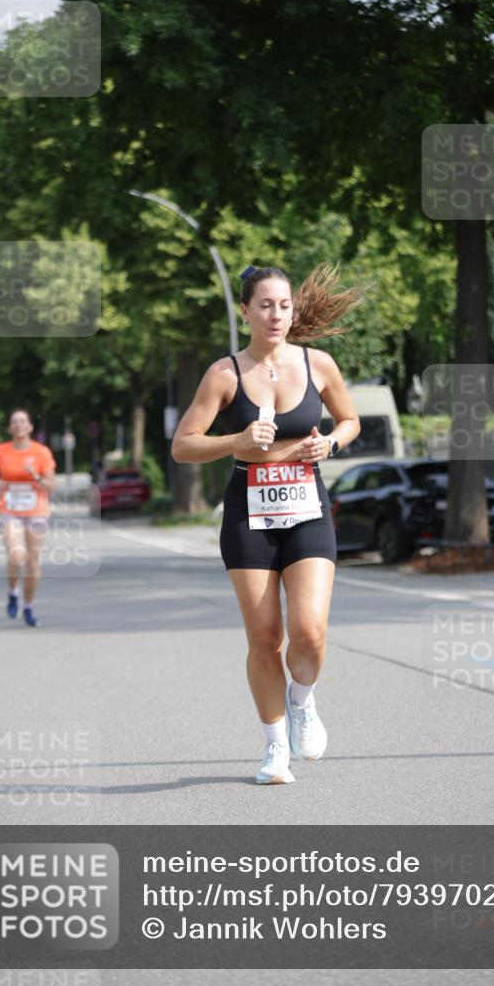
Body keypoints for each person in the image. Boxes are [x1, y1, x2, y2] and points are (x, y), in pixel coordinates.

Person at [172, 264, 362, 784]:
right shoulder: (224, 374)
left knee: (311, 634)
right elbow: (183, 446)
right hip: (248, 513)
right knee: (264, 639)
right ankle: (274, 747)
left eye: (284, 305)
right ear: (246, 311)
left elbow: (350, 420)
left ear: (292, 311)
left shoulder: (319, 363)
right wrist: (236, 442)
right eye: (265, 305)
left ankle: (302, 699)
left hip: (307, 506)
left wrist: (332, 442)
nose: (276, 314)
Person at [0, 409, 57, 627]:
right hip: (9, 509)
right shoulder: (0, 451)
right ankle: (12, 591)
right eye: (14, 422)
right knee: (17, 555)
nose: (18, 425)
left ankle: (28, 606)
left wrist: (35, 476)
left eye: (22, 421)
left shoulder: (41, 452)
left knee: (33, 565)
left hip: (36, 511)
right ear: (9, 427)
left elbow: (51, 485)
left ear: (30, 427)